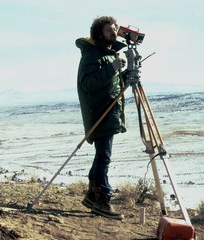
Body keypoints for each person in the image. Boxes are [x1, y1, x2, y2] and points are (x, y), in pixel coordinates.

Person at [76, 16, 127, 220]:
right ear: (99, 33)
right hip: (99, 112)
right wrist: (112, 67)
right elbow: (89, 83)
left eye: (114, 28)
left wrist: (124, 75)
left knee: (102, 156)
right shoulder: (92, 54)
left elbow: (109, 84)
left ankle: (91, 195)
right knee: (104, 156)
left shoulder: (107, 54)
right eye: (109, 30)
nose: (113, 32)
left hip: (108, 111)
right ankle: (102, 201)